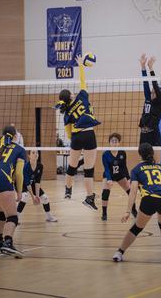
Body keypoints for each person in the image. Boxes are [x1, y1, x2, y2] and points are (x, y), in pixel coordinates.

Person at [112, 143, 161, 263]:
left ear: (140, 154)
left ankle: (119, 252)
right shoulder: (159, 167)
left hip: (149, 199)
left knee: (137, 228)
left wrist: (128, 211)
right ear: (152, 153)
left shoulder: (136, 169)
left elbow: (133, 191)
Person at [0, 126, 35, 257]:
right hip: (1, 180)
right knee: (12, 216)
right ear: (15, 136)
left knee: (1, 211)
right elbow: (19, 173)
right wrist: (18, 191)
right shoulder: (20, 150)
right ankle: (8, 243)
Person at [56, 54, 101, 208]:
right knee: (88, 170)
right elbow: (83, 81)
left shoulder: (67, 113)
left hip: (76, 137)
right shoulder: (82, 97)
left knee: (72, 167)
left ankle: (68, 190)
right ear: (71, 96)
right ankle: (89, 198)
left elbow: (68, 134)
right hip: (89, 134)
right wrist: (81, 65)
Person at [101, 133, 137, 221]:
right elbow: (106, 168)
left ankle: (133, 210)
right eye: (112, 141)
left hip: (120, 175)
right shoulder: (105, 154)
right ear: (109, 142)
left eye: (116, 141)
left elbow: (124, 167)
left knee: (130, 191)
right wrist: (109, 179)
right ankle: (104, 213)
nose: (114, 143)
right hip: (109, 175)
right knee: (105, 193)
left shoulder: (122, 153)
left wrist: (128, 178)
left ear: (119, 143)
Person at [138, 54, 161, 147]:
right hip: (143, 134)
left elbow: (155, 84)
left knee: (155, 160)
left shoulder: (160, 103)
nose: (152, 93)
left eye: (154, 92)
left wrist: (151, 68)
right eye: (152, 92)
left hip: (153, 135)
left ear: (159, 95)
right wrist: (143, 67)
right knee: (143, 157)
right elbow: (145, 82)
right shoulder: (148, 98)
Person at [17, 150, 57, 222]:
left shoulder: (40, 166)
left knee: (45, 198)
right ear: (29, 156)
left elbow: (37, 182)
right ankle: (16, 218)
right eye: (33, 153)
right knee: (24, 197)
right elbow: (27, 184)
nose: (36, 154)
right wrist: (33, 198)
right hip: (22, 184)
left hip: (31, 183)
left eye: (37, 153)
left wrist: (37, 196)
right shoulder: (25, 167)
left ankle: (49, 217)